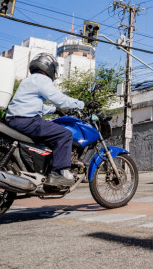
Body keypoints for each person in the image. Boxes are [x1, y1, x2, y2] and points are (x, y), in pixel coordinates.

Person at [6, 53, 94, 186]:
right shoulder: (42, 79)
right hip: (28, 120)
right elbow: (59, 99)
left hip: (15, 119)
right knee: (64, 134)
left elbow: (35, 105)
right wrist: (82, 104)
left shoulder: (29, 80)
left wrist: (54, 110)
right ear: (49, 67)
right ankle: (58, 173)